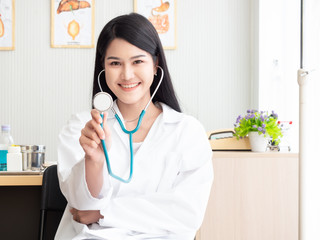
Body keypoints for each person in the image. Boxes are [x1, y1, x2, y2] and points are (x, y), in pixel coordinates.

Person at [55, 13, 213, 240]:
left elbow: (187, 213)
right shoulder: (82, 127)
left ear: (155, 64)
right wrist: (94, 162)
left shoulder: (187, 132)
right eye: (115, 63)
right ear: (103, 67)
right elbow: (80, 207)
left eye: (138, 61)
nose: (127, 74)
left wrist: (103, 212)